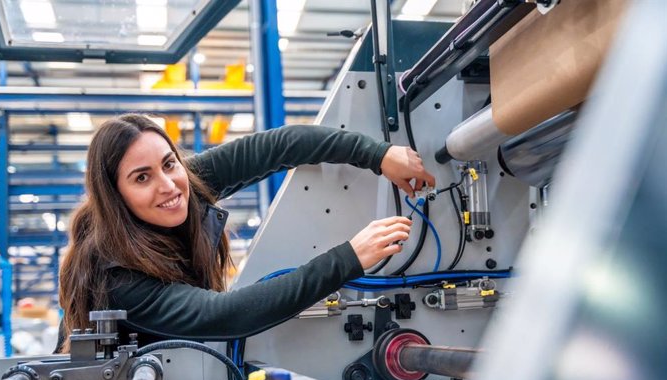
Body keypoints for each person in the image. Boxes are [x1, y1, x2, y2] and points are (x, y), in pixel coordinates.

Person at [56, 114, 435, 352]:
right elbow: (228, 315)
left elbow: (274, 146)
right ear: (115, 196)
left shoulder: (186, 182)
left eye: (168, 163)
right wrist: (348, 258)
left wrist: (377, 154)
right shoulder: (114, 277)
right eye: (142, 178)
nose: (169, 185)